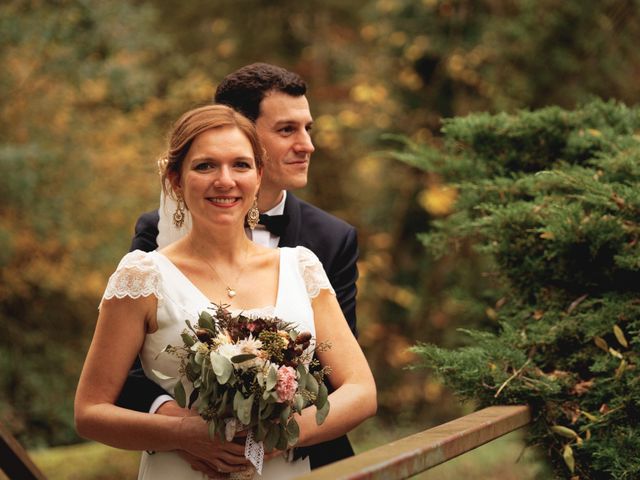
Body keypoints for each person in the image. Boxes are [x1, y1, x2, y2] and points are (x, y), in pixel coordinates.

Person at [74, 105, 377, 480]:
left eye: (240, 165)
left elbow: (361, 390)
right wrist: (184, 433)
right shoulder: (142, 277)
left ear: (259, 175)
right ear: (175, 180)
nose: (225, 180)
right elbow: (90, 412)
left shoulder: (302, 267)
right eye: (205, 166)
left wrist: (281, 436)